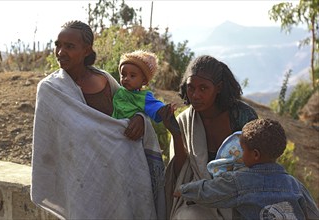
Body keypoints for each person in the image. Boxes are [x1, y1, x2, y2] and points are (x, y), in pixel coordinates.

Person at [31, 20, 165, 220]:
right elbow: (48, 144)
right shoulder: (50, 90)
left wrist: (140, 118)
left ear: (86, 50)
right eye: (58, 45)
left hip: (120, 179)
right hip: (82, 181)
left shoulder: (104, 80)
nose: (60, 52)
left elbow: (131, 107)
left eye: (69, 46)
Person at [159, 55, 258, 219]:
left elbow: (259, 161)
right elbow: (180, 174)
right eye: (191, 88)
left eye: (203, 88)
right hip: (198, 201)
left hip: (241, 197)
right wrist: (176, 134)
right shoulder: (185, 121)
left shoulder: (242, 116)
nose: (196, 95)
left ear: (218, 88)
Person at [175, 118, 319, 220]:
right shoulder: (294, 184)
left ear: (255, 155)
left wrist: (183, 190)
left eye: (243, 150)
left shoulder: (240, 181)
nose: (240, 155)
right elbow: (312, 213)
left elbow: (209, 191)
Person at [112, 50, 172, 123]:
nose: (126, 78)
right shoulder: (117, 90)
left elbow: (156, 107)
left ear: (144, 81)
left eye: (132, 76)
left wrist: (166, 110)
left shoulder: (143, 97)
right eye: (123, 75)